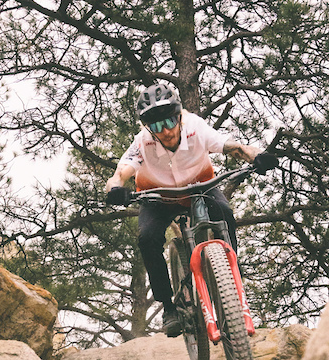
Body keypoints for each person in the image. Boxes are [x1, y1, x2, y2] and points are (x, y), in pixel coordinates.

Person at [105, 81, 279, 336]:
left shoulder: (196, 127)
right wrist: (115, 188)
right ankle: (168, 307)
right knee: (148, 238)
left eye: (168, 122)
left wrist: (257, 156)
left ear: (179, 116)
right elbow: (121, 172)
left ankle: (232, 276)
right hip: (158, 198)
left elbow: (234, 147)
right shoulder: (143, 141)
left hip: (200, 187)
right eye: (155, 126)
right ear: (147, 128)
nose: (164, 131)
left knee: (225, 213)